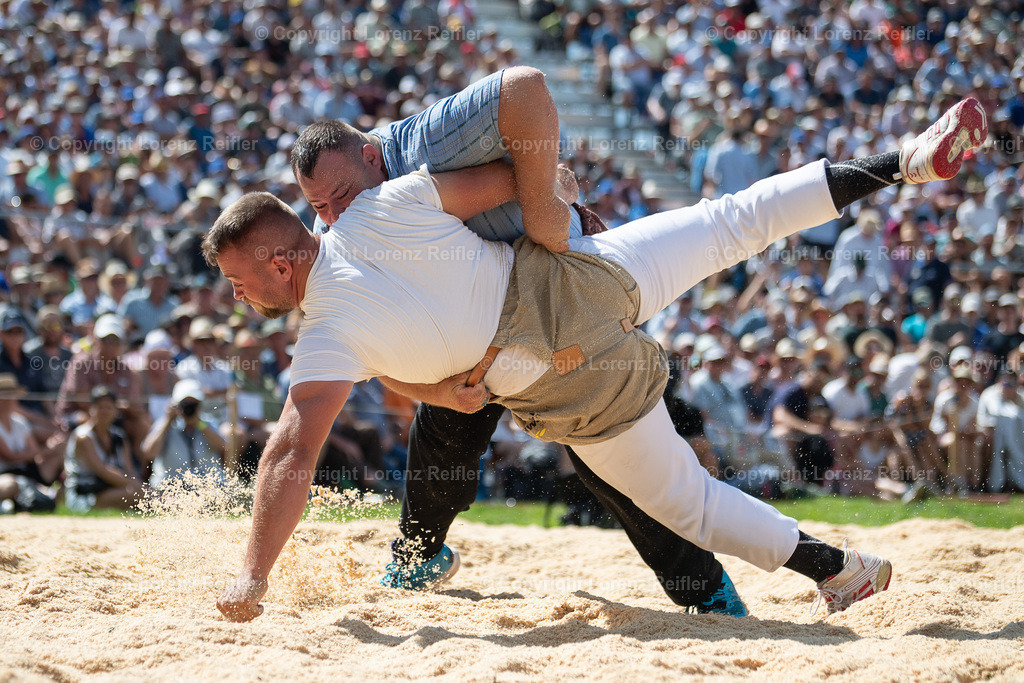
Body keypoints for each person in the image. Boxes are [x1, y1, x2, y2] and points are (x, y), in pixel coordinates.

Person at [211, 97, 985, 623]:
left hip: (556, 374)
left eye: (240, 282)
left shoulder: (324, 336)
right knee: (733, 220)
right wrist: (558, 203)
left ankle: (841, 568)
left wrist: (253, 574)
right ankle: (902, 161)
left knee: (692, 502)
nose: (240, 299)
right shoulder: (387, 200)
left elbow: (291, 452)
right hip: (581, 273)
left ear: (281, 263)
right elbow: (519, 176)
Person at [293, 67, 739, 617]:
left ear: (371, 158)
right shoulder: (334, 237)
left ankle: (705, 590)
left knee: (610, 460)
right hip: (470, 345)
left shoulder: (425, 142)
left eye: (340, 196)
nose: (335, 216)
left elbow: (524, 87)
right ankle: (416, 557)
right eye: (319, 207)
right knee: (439, 446)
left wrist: (551, 204)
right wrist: (435, 391)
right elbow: (363, 347)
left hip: (557, 308)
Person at [64, 386, 144, 512]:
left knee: (141, 493)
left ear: (116, 411)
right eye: (100, 407)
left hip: (112, 487)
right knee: (136, 494)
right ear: (91, 409)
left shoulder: (119, 436)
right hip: (85, 494)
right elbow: (102, 471)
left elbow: (129, 471)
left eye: (109, 407)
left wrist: (138, 485)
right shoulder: (83, 436)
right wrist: (136, 486)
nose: (104, 411)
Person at [140, 379, 228, 489]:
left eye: (193, 405)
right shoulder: (164, 425)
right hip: (171, 487)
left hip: (207, 486)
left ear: (200, 406)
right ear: (176, 405)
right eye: (185, 404)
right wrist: (167, 421)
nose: (189, 409)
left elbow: (223, 447)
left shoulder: (208, 423)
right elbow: (149, 452)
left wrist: (199, 424)